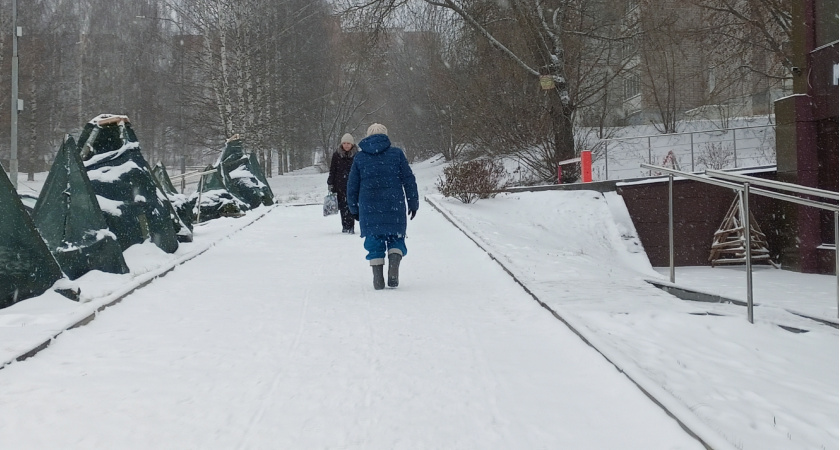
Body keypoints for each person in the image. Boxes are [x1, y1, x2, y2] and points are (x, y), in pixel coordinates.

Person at [347, 123, 419, 290]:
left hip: (369, 206)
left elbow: (352, 186)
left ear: (368, 136)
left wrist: (353, 208)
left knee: (374, 239)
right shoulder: (396, 154)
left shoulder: (360, 158)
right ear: (385, 135)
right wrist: (413, 202)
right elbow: (409, 180)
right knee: (396, 236)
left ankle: (377, 277)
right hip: (394, 204)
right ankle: (394, 265)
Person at [327, 133, 358, 233]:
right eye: (344, 143)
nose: (346, 145)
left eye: (348, 143)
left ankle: (351, 226)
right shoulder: (337, 155)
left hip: (353, 185)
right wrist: (330, 183)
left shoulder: (357, 155)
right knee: (343, 207)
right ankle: (345, 226)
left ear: (352, 144)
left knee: (351, 206)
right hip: (339, 185)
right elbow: (333, 170)